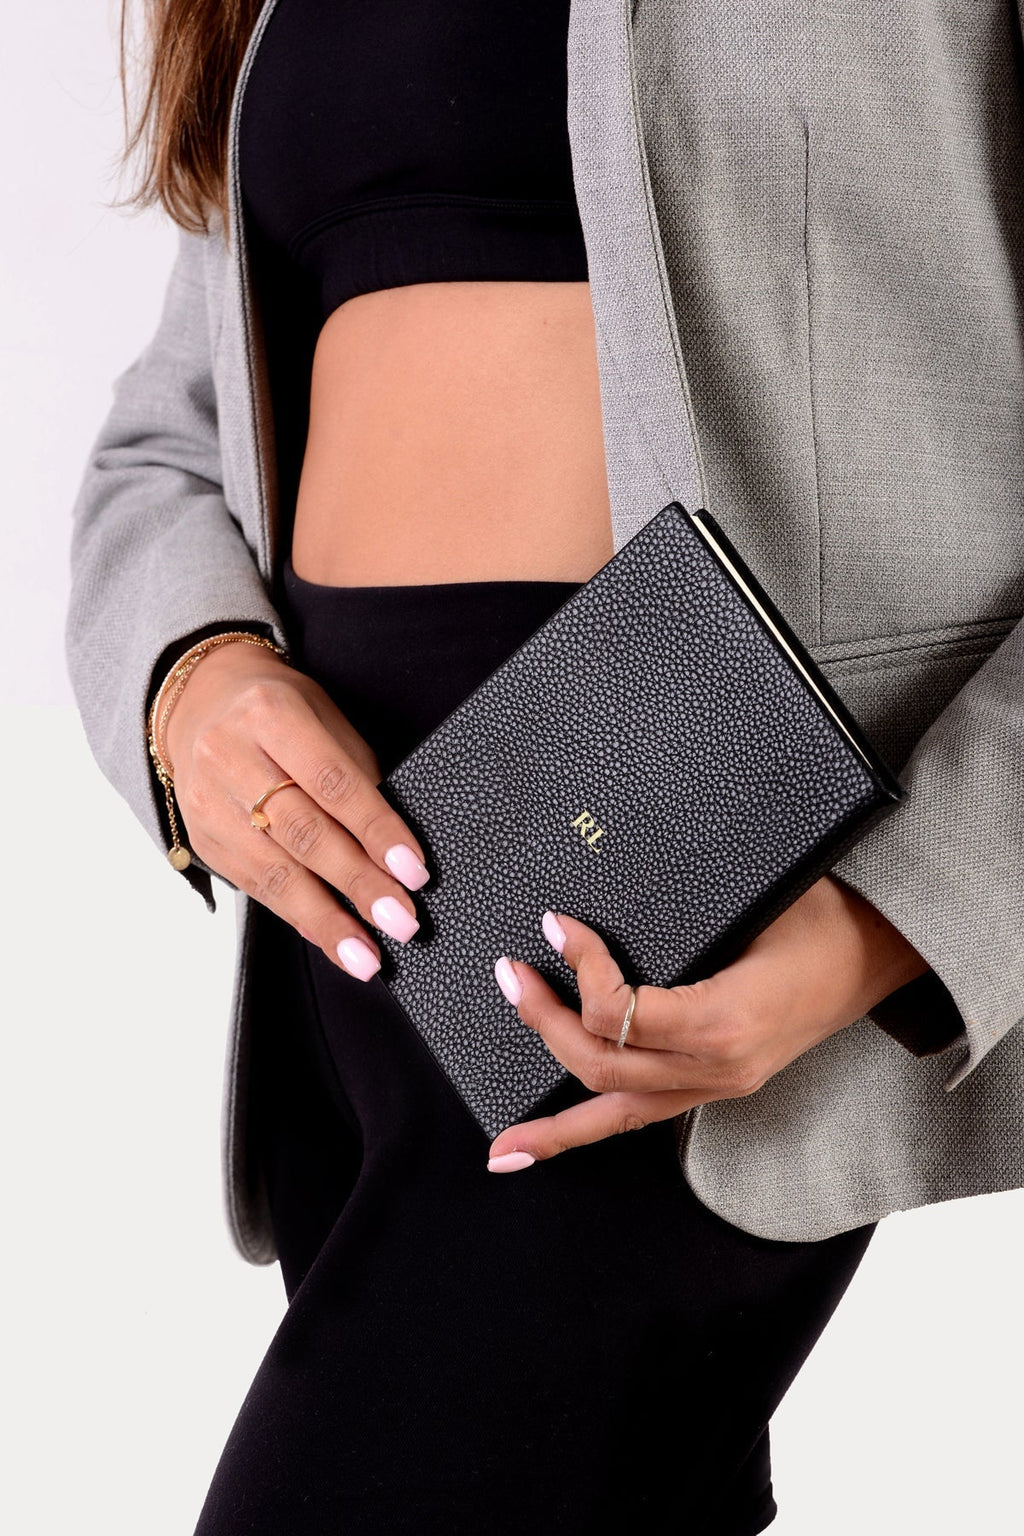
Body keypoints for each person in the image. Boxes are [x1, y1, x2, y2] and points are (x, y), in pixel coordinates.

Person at [65, 1, 1024, 1531]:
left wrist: (889, 919)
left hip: (679, 889)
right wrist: (192, 679)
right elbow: (174, 437)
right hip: (352, 950)